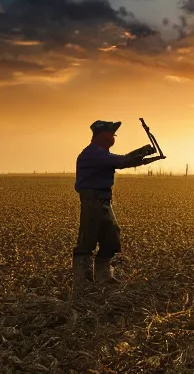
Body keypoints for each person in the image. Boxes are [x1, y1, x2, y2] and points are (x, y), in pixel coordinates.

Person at [72, 120, 164, 293]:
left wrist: (143, 154)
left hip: (104, 201)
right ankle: (82, 284)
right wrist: (143, 152)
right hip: (92, 201)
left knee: (111, 238)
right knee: (87, 241)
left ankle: (103, 278)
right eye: (111, 134)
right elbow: (121, 161)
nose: (114, 137)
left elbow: (122, 160)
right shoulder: (93, 153)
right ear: (101, 135)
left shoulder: (101, 153)